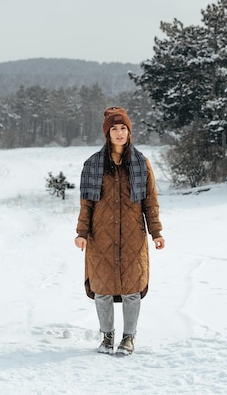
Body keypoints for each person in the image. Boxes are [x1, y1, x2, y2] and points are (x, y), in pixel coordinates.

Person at [74, 106, 165, 355]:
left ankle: (129, 338)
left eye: (123, 128)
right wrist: (81, 233)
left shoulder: (141, 164)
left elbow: (150, 201)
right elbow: (86, 204)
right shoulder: (93, 165)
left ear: (129, 132)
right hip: (100, 236)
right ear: (107, 133)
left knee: (132, 290)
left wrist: (156, 232)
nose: (119, 132)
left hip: (133, 237)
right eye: (114, 128)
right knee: (102, 290)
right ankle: (107, 337)